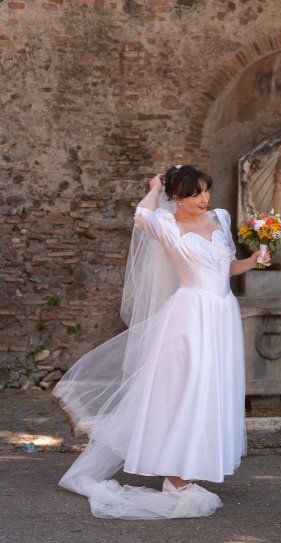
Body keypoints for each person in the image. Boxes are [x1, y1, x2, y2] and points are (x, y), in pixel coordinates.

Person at [53, 164, 270, 520]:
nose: (204, 199)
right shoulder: (166, 225)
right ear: (176, 198)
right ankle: (174, 476)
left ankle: (190, 466)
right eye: (195, 193)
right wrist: (154, 186)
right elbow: (141, 214)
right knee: (185, 387)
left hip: (221, 314)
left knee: (211, 389)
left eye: (206, 191)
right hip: (189, 316)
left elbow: (226, 267)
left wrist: (254, 261)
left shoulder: (219, 220)